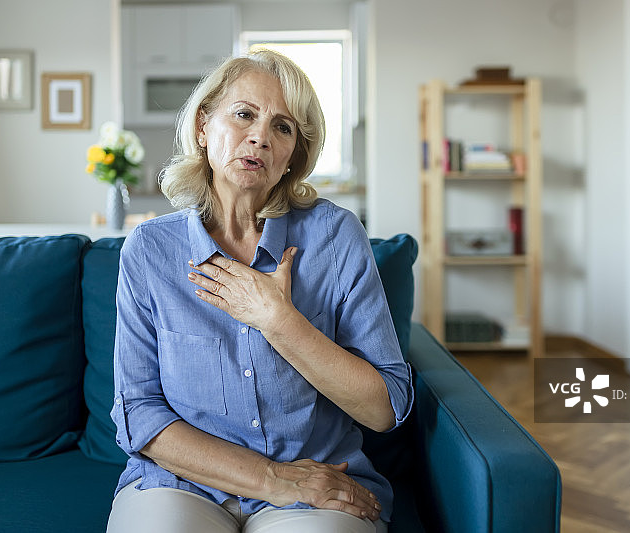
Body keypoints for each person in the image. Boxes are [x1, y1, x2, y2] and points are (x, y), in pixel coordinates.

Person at [106, 49, 413, 533]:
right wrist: (273, 479)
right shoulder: (150, 250)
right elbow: (139, 416)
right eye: (244, 114)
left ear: (294, 156)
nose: (260, 138)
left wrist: (279, 321)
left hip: (318, 485)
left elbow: (384, 408)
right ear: (204, 127)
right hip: (182, 483)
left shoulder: (335, 238)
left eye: (283, 128)